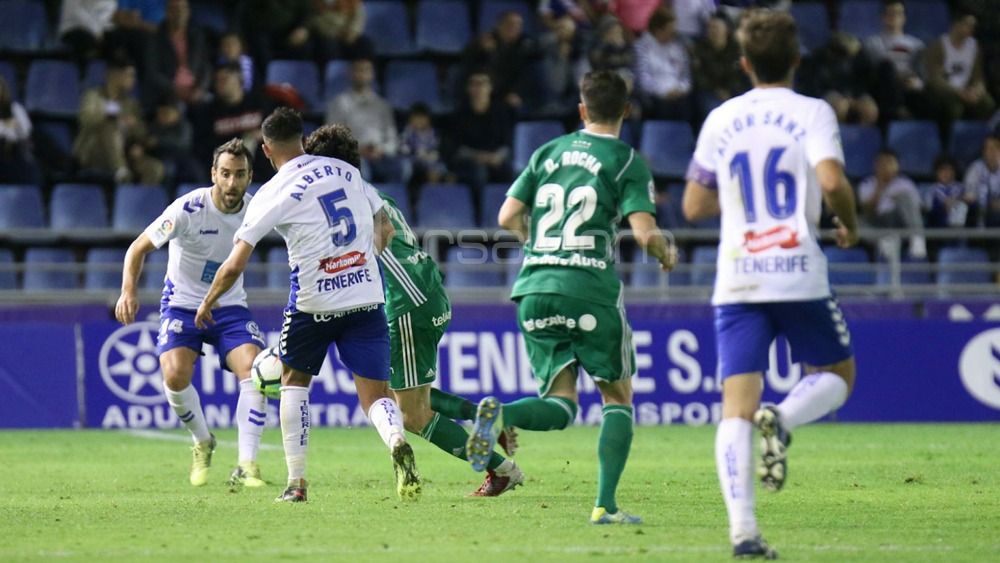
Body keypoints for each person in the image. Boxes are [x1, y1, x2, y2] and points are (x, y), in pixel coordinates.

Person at [682, 11, 860, 559]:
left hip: (738, 276)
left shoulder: (722, 118)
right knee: (837, 375)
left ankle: (744, 534)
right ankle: (783, 417)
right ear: (797, 60)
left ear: (744, 64)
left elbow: (693, 205)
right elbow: (830, 178)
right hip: (798, 268)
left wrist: (735, 195)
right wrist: (849, 221)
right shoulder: (813, 111)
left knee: (735, 408)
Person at [476, 70, 675, 524]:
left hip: (534, 289)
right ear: (627, 110)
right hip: (589, 290)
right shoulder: (625, 159)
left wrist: (535, 246)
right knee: (617, 398)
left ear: (582, 109)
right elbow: (645, 234)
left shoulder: (548, 151)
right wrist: (667, 253)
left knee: (561, 405)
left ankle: (500, 414)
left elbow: (507, 215)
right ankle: (605, 505)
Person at [194, 108, 419, 503]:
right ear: (302, 139)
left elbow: (235, 263)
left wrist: (207, 301)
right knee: (376, 394)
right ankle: (396, 439)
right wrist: (359, 262)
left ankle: (296, 484)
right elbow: (385, 227)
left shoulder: (273, 191)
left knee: (293, 382)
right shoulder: (347, 172)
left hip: (313, 304)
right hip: (366, 297)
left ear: (266, 150)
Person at [303, 123, 524, 496]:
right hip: (427, 291)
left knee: (412, 415)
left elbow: (373, 246)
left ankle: (502, 470)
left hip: (406, 303)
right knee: (396, 393)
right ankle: (482, 416)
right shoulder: (372, 193)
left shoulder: (347, 201)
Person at [115, 138, 267, 489]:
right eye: (225, 173)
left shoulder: (259, 209)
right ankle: (202, 440)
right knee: (174, 374)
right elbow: (137, 248)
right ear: (213, 173)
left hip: (229, 305)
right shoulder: (187, 209)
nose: (231, 183)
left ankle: (247, 464)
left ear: (250, 177)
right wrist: (128, 291)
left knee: (254, 370)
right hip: (182, 304)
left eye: (239, 174)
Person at [325, 58, 405, 183]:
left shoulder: (382, 105)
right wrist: (357, 150)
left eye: (366, 70)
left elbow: (392, 139)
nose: (362, 74)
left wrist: (381, 150)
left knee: (403, 168)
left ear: (372, 74)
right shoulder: (339, 104)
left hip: (380, 156)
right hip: (354, 156)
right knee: (361, 169)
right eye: (358, 70)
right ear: (350, 73)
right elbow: (332, 139)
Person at [924, 10, 995, 121]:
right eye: (968, 25)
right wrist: (959, 92)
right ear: (956, 24)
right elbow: (935, 79)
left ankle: (982, 131)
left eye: (973, 26)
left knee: (988, 103)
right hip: (946, 90)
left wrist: (978, 90)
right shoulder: (938, 46)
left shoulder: (974, 46)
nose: (971, 29)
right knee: (954, 107)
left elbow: (978, 76)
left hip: (967, 89)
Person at [858, 149, 926, 258]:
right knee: (857, 221)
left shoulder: (905, 183)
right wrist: (880, 186)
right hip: (878, 223)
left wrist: (898, 200)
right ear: (876, 166)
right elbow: (868, 211)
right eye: (882, 163)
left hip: (900, 222)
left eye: (889, 163)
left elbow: (917, 209)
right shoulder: (867, 184)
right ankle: (883, 243)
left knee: (905, 197)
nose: (885, 167)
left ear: (897, 166)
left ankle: (917, 239)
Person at [635, 8, 694, 121]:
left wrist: (681, 89)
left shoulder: (678, 46)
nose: (673, 34)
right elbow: (643, 80)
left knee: (688, 105)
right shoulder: (641, 47)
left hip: (679, 93)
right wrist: (664, 93)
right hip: (656, 95)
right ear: (658, 30)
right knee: (664, 108)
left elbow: (686, 76)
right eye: (670, 30)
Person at [964, 135, 1000, 227]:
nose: (992, 152)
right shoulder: (975, 169)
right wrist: (988, 204)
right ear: (983, 152)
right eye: (988, 148)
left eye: (995, 147)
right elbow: (969, 196)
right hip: (980, 212)